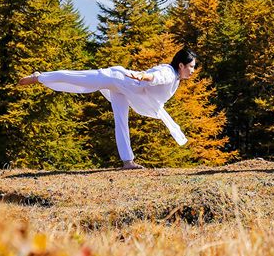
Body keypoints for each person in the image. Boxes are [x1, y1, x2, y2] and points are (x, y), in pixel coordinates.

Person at [18, 49, 198, 169]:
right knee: (81, 78)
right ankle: (40, 77)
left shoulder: (175, 78)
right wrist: (143, 75)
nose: (192, 71)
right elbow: (155, 76)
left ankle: (128, 161)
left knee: (121, 121)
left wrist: (143, 77)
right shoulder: (168, 73)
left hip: (124, 91)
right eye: (191, 66)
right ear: (181, 65)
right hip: (116, 79)